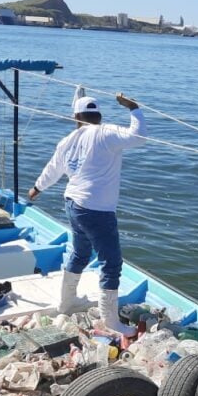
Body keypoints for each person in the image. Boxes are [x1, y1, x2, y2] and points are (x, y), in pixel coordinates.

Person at [28, 93, 146, 335]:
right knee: (111, 263)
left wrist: (37, 187)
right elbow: (139, 136)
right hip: (97, 210)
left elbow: (53, 169)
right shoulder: (105, 132)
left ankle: (66, 302)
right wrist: (134, 109)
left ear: (76, 118)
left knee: (80, 253)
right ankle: (111, 321)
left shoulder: (67, 140)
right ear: (99, 115)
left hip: (73, 205)